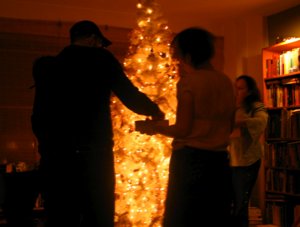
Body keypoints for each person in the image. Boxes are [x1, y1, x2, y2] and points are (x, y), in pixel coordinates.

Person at [31, 20, 164, 227]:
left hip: (57, 157)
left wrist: (48, 148)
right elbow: (129, 95)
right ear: (93, 39)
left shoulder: (50, 66)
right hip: (94, 153)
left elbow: (38, 117)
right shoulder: (102, 60)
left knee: (62, 215)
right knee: (98, 213)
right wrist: (155, 111)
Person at [137, 27, 236, 227]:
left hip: (191, 161)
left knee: (183, 216)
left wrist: (156, 128)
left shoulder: (189, 83)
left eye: (178, 56)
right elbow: (230, 125)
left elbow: (183, 130)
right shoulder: (225, 82)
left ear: (188, 55)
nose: (177, 61)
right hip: (218, 161)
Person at [228, 75, 268, 227]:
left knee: (241, 203)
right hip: (231, 159)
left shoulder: (256, 106)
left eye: (241, 88)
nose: (237, 91)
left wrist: (242, 122)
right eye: (235, 88)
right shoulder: (231, 106)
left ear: (250, 91)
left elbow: (261, 121)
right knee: (229, 202)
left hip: (247, 161)